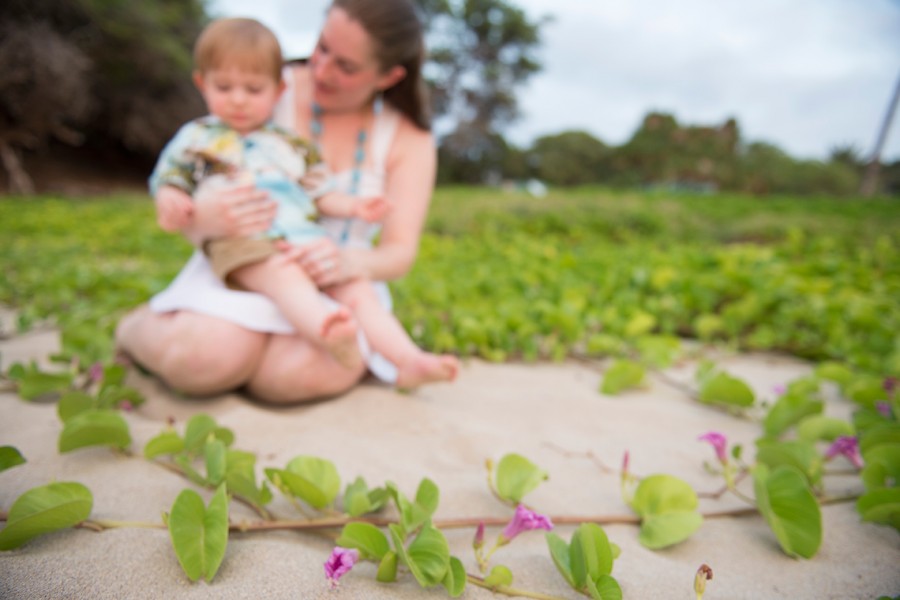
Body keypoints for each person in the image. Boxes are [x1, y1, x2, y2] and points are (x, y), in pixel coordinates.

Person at [116, 0, 459, 402]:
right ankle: (137, 328)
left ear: (389, 76)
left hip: (329, 270)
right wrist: (204, 217)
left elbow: (398, 252)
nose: (322, 69)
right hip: (250, 256)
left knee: (292, 376)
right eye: (322, 46)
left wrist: (346, 259)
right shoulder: (258, 83)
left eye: (346, 66)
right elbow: (193, 166)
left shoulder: (410, 138)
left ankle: (403, 358)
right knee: (206, 360)